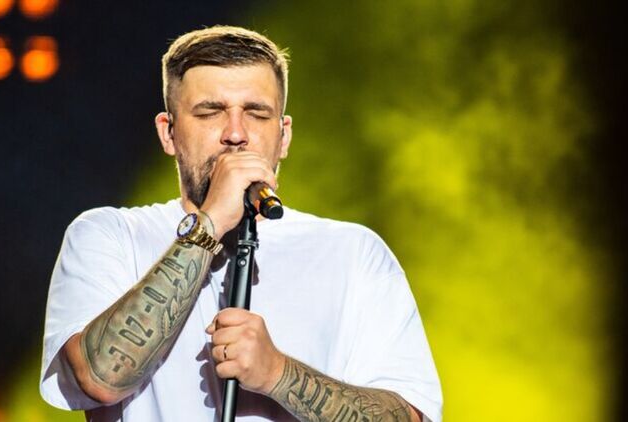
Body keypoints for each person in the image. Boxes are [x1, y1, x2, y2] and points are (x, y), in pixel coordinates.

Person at [40, 25, 442, 422]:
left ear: (284, 136)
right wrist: (209, 224)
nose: (235, 134)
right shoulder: (108, 235)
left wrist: (277, 373)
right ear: (168, 133)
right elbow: (100, 377)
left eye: (256, 113)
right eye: (210, 112)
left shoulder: (354, 253)